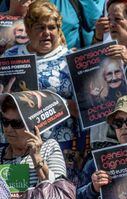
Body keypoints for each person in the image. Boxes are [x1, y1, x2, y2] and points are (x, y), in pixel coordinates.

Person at [2, 0, 78, 146]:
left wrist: (57, 103)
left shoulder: (70, 60)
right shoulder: (9, 57)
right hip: (16, 146)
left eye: (52, 27)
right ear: (28, 29)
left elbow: (84, 110)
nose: (47, 33)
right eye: (40, 28)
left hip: (60, 144)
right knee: (17, 171)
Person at [0, 95, 67, 187]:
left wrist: (37, 157)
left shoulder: (48, 147)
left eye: (16, 123)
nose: (8, 129)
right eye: (5, 122)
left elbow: (58, 189)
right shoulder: (1, 154)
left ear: (33, 125)